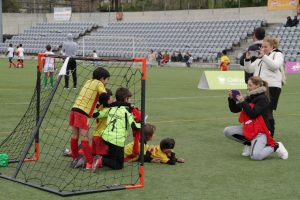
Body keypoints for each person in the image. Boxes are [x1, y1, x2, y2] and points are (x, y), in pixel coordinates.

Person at [223, 76, 288, 160]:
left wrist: (243, 102)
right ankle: (250, 144)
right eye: (247, 85)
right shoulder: (248, 97)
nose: (248, 87)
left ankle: (276, 146)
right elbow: (235, 110)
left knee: (255, 156)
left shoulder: (263, 98)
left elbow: (253, 114)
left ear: (258, 85)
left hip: (262, 132)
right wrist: (231, 99)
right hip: (250, 129)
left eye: (250, 85)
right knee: (227, 131)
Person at [243, 37, 285, 137]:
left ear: (272, 46)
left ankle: (270, 135)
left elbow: (275, 66)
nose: (263, 48)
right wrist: (247, 59)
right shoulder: (261, 57)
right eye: (262, 46)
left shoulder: (277, 54)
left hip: (272, 87)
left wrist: (264, 57)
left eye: (266, 46)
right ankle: (260, 133)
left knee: (268, 111)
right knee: (259, 111)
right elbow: (249, 69)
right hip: (260, 88)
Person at [69, 67, 110, 170]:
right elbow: (104, 96)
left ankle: (75, 159)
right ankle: (90, 163)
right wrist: (106, 103)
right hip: (82, 113)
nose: (107, 82)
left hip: (74, 109)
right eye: (107, 80)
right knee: (84, 138)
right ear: (102, 78)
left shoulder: (88, 81)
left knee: (74, 136)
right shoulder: (99, 84)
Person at [92, 87, 141, 171]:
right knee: (118, 165)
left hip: (105, 137)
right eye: (129, 99)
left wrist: (97, 104)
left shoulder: (110, 108)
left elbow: (95, 114)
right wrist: (142, 123)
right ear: (126, 99)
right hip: (117, 140)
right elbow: (134, 126)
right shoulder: (127, 111)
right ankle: (101, 160)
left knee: (114, 156)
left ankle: (101, 157)